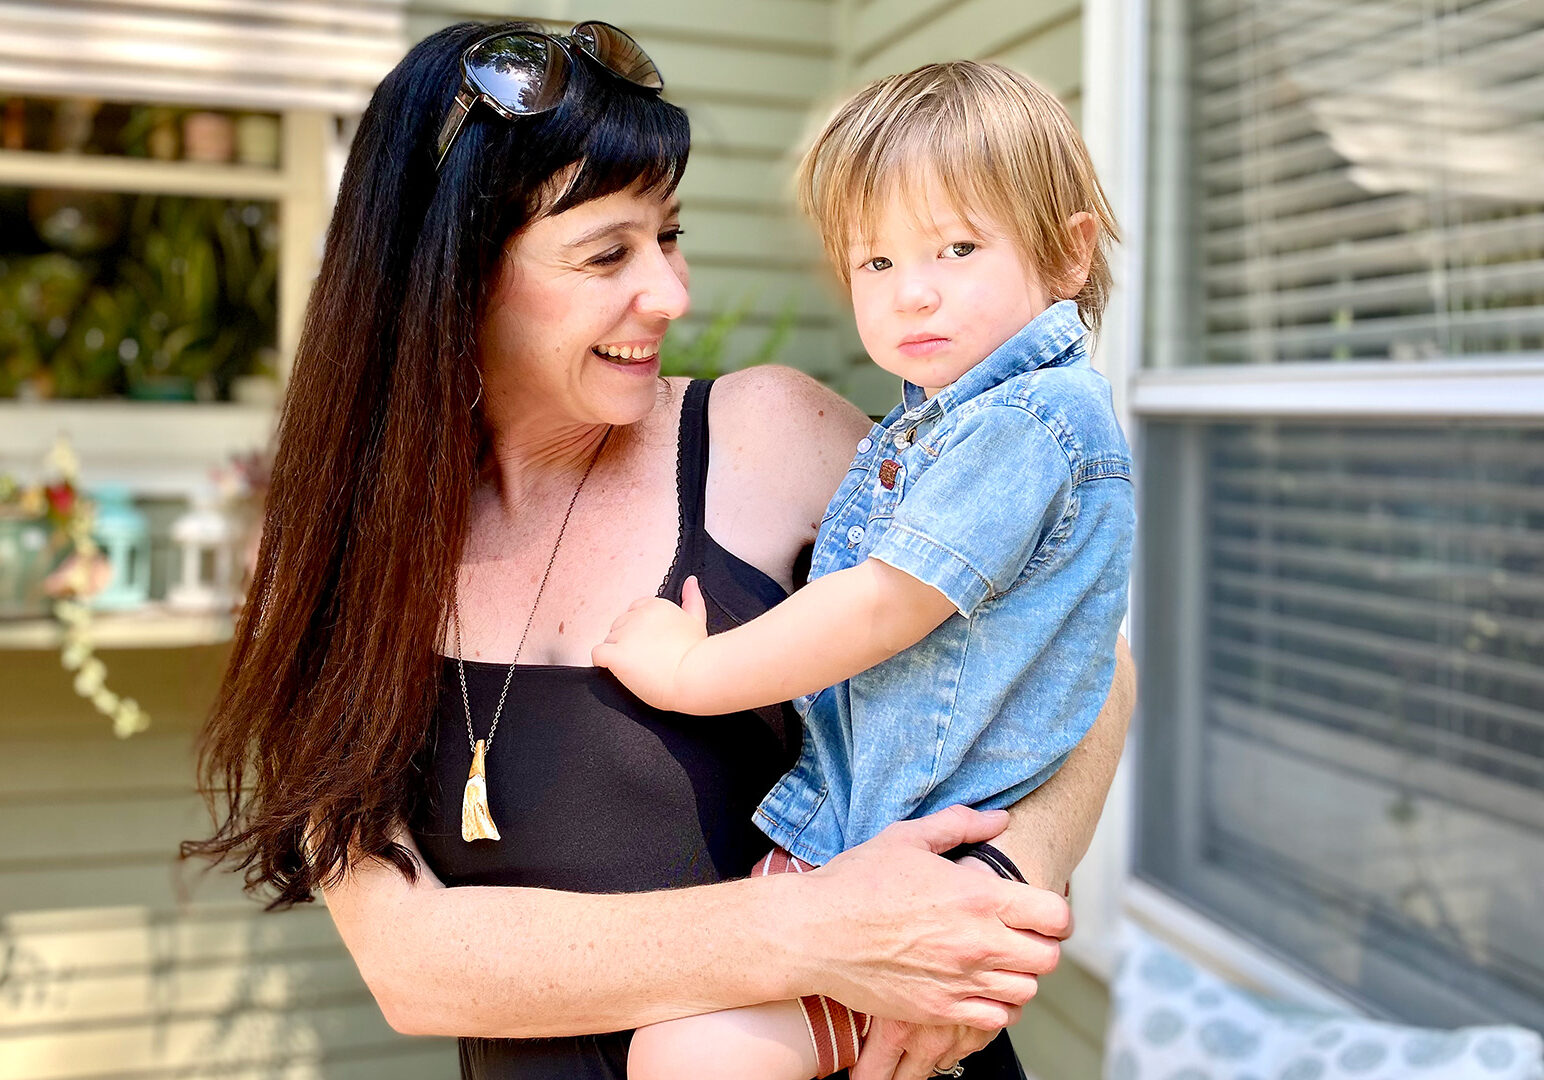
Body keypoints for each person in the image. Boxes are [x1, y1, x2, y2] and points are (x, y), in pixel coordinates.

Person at [182, 21, 1137, 1080]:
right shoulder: (321, 563)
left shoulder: (765, 437)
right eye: (607, 254)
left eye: (667, 237)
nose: (670, 295)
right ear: (448, 280)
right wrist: (819, 932)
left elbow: (1084, 648)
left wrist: (998, 894)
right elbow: (412, 965)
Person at [594, 61, 1133, 1080]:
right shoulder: (947, 422)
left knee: (686, 1058)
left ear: (1065, 256)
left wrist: (688, 673)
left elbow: (885, 602)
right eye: (873, 263)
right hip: (874, 845)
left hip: (912, 857)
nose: (909, 290)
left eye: (956, 247)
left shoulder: (1027, 421)